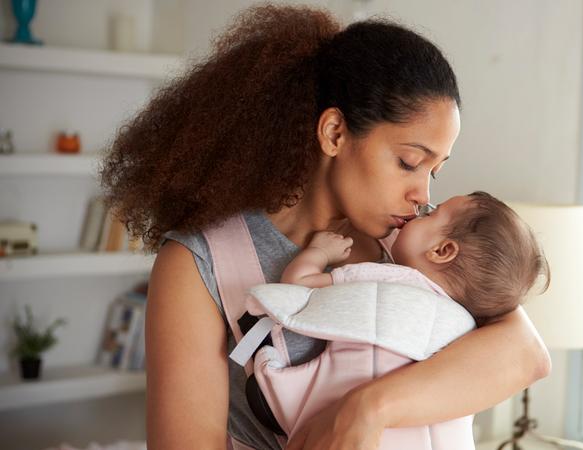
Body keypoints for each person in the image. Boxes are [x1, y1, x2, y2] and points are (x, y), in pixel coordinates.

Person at [100, 4, 551, 450]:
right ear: (334, 132)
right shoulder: (198, 264)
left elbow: (525, 354)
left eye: (432, 171)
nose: (422, 195)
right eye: (409, 162)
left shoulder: (413, 245)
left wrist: (365, 411)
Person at [283, 192, 550, 327]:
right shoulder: (457, 319)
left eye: (431, 215)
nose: (422, 204)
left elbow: (297, 284)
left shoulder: (392, 282)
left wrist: (320, 251)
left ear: (442, 251)